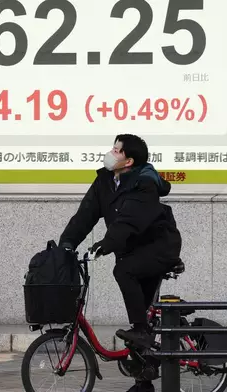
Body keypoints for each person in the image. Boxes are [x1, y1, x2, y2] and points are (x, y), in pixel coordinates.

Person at [59, 134, 182, 392]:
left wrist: (106, 244)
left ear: (128, 161)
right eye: (112, 148)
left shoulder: (145, 183)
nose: (110, 153)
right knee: (140, 317)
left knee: (125, 275)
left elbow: (129, 220)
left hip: (158, 247)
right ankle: (143, 383)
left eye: (117, 150)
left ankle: (141, 333)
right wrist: (67, 243)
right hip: (132, 251)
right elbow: (86, 213)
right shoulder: (105, 180)